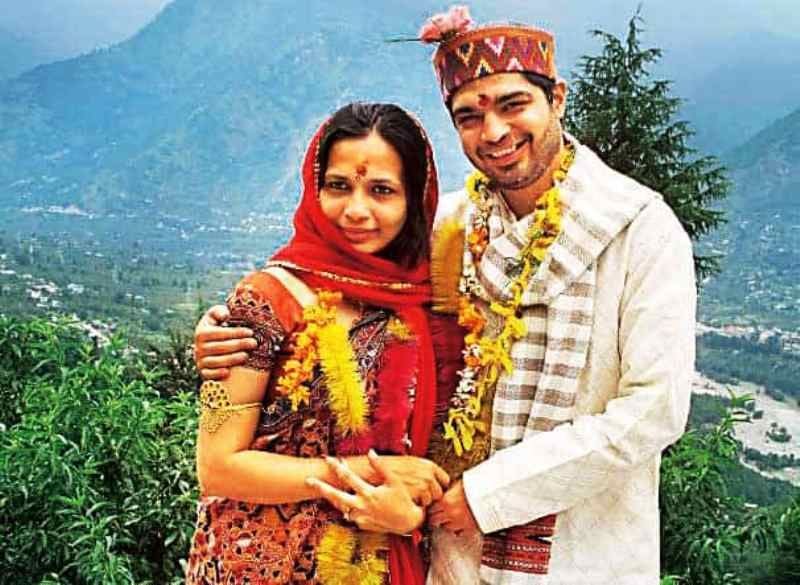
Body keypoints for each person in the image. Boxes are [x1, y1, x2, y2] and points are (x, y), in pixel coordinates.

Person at [194, 7, 696, 584]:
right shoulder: (449, 227)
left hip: (578, 551)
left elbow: (652, 412)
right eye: (469, 116)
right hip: (446, 550)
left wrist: (487, 494)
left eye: (513, 105)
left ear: (556, 98)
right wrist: (226, 334)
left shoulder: (639, 230)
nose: (495, 132)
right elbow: (337, 286)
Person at [185, 102, 463, 585]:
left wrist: (408, 510)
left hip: (378, 559)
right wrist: (365, 474)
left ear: (414, 200)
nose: (356, 210)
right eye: (339, 186)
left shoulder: (424, 303)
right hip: (258, 565)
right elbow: (218, 467)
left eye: (381, 191)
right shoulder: (263, 301)